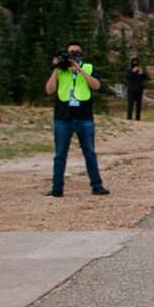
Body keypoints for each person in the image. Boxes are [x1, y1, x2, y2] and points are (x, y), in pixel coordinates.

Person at [45, 41, 110, 197]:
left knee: (89, 152)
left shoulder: (89, 68)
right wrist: (56, 68)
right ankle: (57, 188)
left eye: (77, 52)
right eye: (71, 53)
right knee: (60, 154)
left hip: (84, 116)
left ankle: (97, 185)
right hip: (63, 117)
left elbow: (96, 85)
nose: (74, 55)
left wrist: (80, 70)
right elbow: (49, 89)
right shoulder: (61, 71)